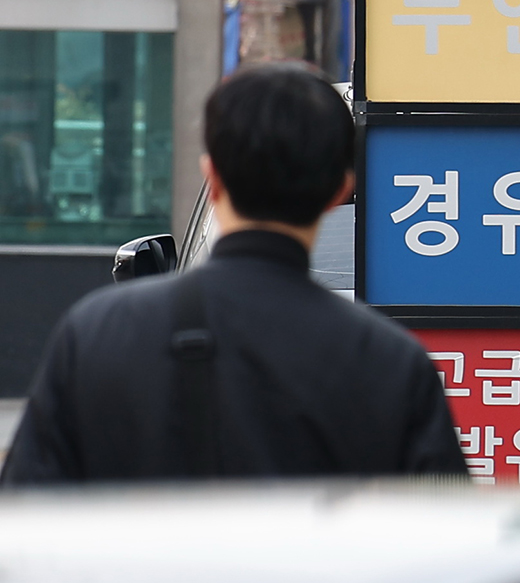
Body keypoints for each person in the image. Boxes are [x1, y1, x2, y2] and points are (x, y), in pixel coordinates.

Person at [1, 64, 468, 482]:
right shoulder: (390, 361)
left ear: (215, 177)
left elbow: (26, 515)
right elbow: (447, 533)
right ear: (339, 191)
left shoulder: (95, 336)